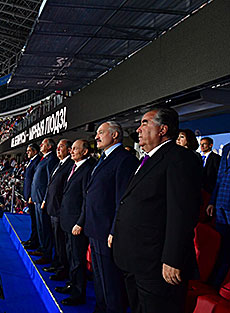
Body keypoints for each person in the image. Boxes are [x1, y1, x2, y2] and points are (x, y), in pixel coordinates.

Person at [113, 107, 201, 313]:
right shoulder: (148, 159)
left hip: (157, 265)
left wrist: (172, 258)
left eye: (145, 123)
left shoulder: (180, 158)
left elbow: (182, 214)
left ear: (162, 129)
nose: (139, 129)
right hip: (136, 259)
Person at [83, 121, 139, 313]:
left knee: (111, 283)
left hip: (107, 231)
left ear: (115, 135)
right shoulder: (104, 158)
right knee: (99, 279)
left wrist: (114, 230)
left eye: (100, 133)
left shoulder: (124, 159)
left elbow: (122, 200)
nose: (96, 136)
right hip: (95, 228)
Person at [56, 139, 96, 306]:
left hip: (76, 224)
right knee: (71, 257)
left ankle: (78, 293)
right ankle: (72, 284)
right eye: (71, 149)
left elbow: (86, 199)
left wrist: (80, 222)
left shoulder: (87, 169)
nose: (71, 151)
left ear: (85, 151)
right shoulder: (75, 167)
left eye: (75, 149)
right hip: (67, 221)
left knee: (78, 260)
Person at [41, 139, 74, 280]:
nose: (58, 149)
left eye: (61, 147)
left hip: (60, 210)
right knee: (56, 241)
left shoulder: (70, 164)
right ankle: (57, 263)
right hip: (52, 207)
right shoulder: (59, 163)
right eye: (58, 147)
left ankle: (62, 269)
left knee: (61, 243)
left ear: (68, 149)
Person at [29, 138, 59, 265]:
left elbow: (49, 181)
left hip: (42, 198)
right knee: (40, 226)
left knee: (45, 227)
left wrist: (45, 199)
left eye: (43, 144)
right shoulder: (44, 158)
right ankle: (41, 248)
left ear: (49, 147)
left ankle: (46, 253)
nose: (40, 146)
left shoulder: (51, 159)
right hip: (37, 197)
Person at [207, 143, 230, 286]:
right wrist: (212, 201)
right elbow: (219, 178)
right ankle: (213, 282)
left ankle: (219, 284)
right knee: (219, 247)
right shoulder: (227, 148)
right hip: (221, 202)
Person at [21, 143, 41, 250]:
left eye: (29, 151)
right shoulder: (32, 160)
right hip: (29, 195)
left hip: (32, 196)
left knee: (35, 221)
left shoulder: (37, 161)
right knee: (33, 220)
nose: (27, 152)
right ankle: (32, 239)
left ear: (34, 151)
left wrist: (31, 196)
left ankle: (35, 241)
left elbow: (35, 180)